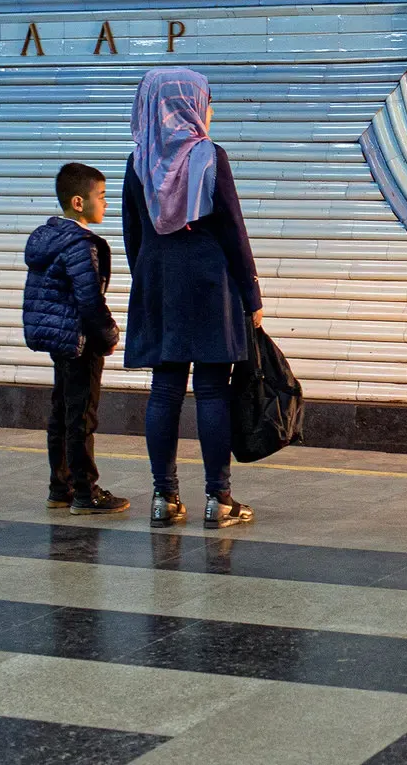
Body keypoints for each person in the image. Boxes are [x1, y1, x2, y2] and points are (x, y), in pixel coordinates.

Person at [122, 67, 263, 529]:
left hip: (159, 280)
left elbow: (132, 234)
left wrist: (149, 280)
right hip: (208, 281)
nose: (210, 109)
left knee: (164, 389)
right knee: (210, 391)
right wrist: (251, 293)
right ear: (189, 104)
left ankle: (164, 499)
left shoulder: (137, 161)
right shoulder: (209, 156)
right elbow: (232, 228)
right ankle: (219, 499)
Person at [21, 162, 127, 516]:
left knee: (62, 413)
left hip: (60, 340)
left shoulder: (48, 239)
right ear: (79, 203)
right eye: (102, 196)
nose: (107, 204)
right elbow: (89, 299)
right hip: (82, 341)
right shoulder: (81, 244)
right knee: (81, 417)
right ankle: (86, 493)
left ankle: (60, 487)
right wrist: (109, 334)